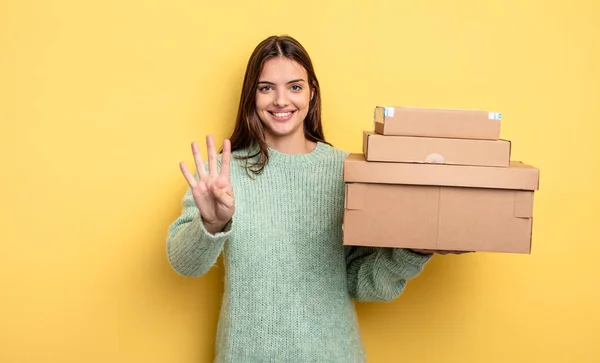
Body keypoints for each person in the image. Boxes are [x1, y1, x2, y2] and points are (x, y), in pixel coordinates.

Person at [166, 35, 462, 362]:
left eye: (294, 87)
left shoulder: (346, 171)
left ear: (312, 93)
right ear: (251, 96)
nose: (281, 100)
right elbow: (185, 264)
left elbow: (362, 281)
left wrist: (414, 249)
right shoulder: (219, 175)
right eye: (266, 88)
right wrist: (211, 222)